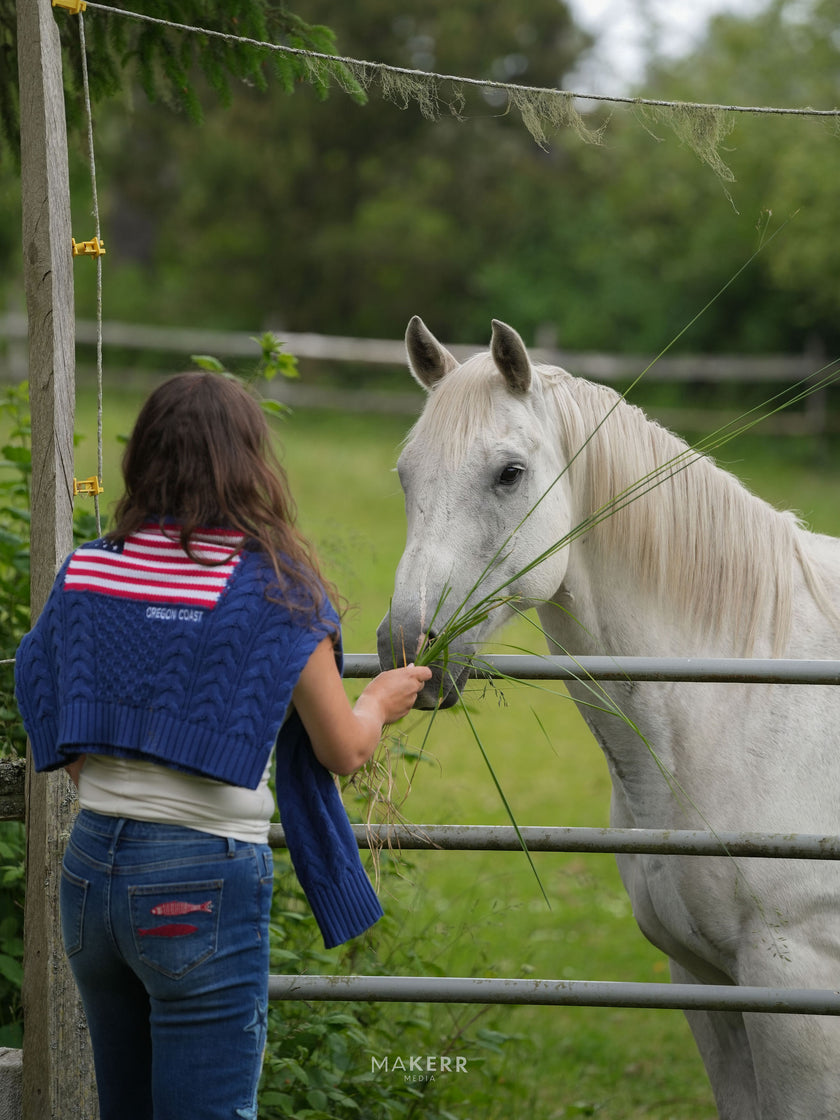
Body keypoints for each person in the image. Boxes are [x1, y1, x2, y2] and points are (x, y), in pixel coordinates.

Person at [14, 372, 431, 1120]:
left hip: (89, 875)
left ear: (143, 457)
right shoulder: (275, 591)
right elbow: (342, 749)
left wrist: (86, 769)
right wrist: (379, 698)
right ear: (252, 463)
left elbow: (37, 675)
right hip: (196, 881)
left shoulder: (90, 569)